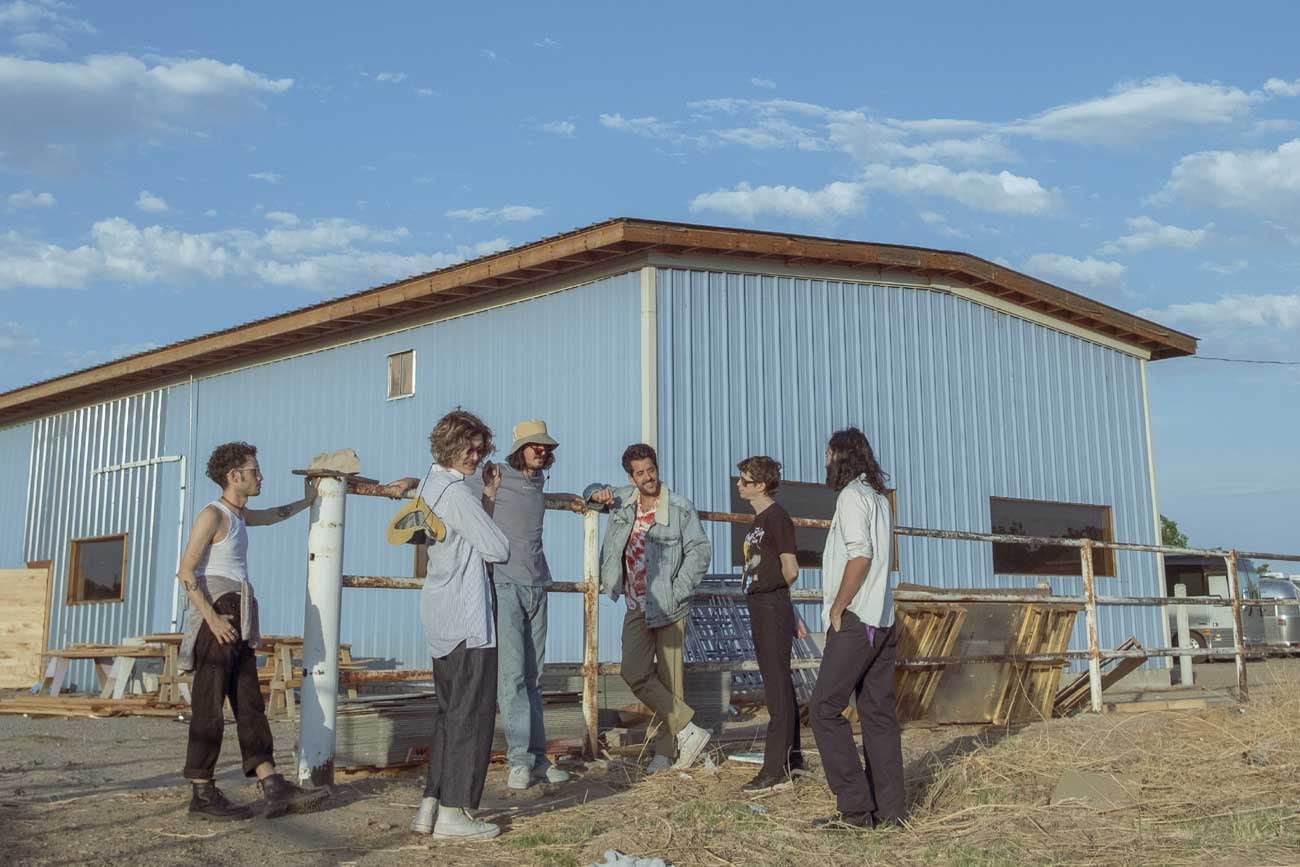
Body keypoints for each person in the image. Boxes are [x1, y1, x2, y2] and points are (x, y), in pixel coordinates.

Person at [177, 442, 328, 820]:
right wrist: (211, 619)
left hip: (238, 612)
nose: (261, 476)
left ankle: (272, 783)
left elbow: (274, 515)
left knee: (249, 702)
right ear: (234, 477)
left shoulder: (239, 516)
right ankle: (202, 793)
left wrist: (309, 500)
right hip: (220, 612)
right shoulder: (212, 515)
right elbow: (185, 571)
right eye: (254, 470)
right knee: (209, 703)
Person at [390, 410, 510, 841]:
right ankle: (456, 812)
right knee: (471, 715)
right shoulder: (458, 494)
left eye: (480, 448)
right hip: (468, 615)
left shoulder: (430, 484)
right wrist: (486, 506)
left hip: (440, 612)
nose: (476, 456)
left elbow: (465, 533)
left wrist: (487, 497)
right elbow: (497, 548)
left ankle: (431, 805)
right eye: (469, 447)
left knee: (448, 713)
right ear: (449, 445)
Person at [589, 443, 712, 772]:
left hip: (669, 606)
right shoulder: (623, 500)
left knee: (671, 682)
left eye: (651, 470)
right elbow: (589, 494)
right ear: (630, 476)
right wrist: (596, 493)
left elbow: (699, 551)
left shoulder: (679, 507)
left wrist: (677, 590)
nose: (648, 478)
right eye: (640, 473)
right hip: (635, 604)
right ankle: (687, 729)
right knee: (634, 671)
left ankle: (665, 753)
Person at [808, 427, 904, 830]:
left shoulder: (851, 497)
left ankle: (854, 809)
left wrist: (838, 605)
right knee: (878, 714)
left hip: (857, 621)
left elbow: (860, 557)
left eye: (828, 454)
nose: (825, 461)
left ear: (841, 456)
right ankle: (890, 811)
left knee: (824, 708)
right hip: (883, 620)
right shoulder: (879, 499)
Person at [492, 420, 572, 790]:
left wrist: (588, 494)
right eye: (535, 447)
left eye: (546, 448)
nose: (542, 452)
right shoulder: (495, 474)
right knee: (512, 676)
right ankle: (519, 761)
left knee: (534, 677)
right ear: (519, 448)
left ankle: (539, 759)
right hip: (505, 584)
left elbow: (571, 496)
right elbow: (451, 486)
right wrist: (412, 482)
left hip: (539, 584)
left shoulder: (540, 482)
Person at [735, 455, 804, 792]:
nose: (739, 485)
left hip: (771, 603)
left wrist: (782, 603)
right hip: (761, 603)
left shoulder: (777, 518)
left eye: (745, 481)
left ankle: (774, 769)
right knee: (777, 682)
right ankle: (793, 759)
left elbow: (790, 568)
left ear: (761, 485)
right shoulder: (758, 520)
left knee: (776, 687)